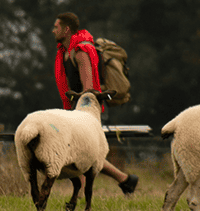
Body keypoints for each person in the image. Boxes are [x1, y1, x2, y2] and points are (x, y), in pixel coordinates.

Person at [52, 12, 138, 195]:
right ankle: (125, 180)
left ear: (66, 30)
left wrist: (79, 115)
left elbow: (89, 89)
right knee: (86, 152)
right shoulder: (66, 53)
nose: (53, 31)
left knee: (83, 151)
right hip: (79, 110)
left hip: (89, 110)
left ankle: (84, 193)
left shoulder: (81, 52)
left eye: (56, 27)